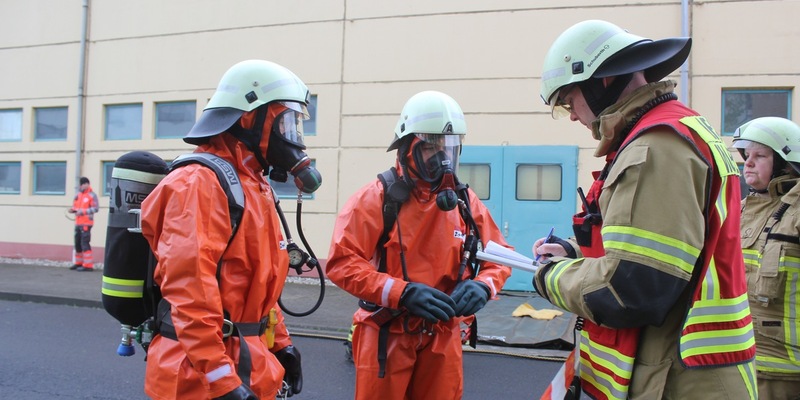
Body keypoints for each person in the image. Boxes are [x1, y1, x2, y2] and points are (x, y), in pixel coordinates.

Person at [532, 20, 756, 399]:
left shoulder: (654, 147)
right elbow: (662, 240)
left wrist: (550, 276)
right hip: (697, 370)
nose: (572, 115)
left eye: (570, 101)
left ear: (600, 82)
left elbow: (630, 288)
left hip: (683, 380)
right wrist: (574, 249)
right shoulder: (682, 128)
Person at [140, 59, 321, 400]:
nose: (295, 137)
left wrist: (281, 343)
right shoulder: (197, 183)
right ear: (250, 119)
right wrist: (221, 378)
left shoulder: (253, 186)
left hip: (247, 361)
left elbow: (255, 284)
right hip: (198, 374)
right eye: (288, 123)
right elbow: (189, 289)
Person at [326, 90, 512, 400]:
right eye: (431, 148)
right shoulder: (377, 199)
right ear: (408, 148)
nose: (442, 160)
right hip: (387, 334)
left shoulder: (464, 202)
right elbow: (342, 263)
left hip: (443, 334)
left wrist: (484, 286)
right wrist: (402, 293)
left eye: (449, 149)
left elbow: (502, 258)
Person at [734, 116, 800, 399]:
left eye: (760, 155)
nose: (748, 163)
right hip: (742, 362)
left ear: (786, 164)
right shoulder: (738, 209)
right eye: (747, 155)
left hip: (789, 372)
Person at [69, 176, 99, 271]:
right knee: (77, 243)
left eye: (83, 184)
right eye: (80, 184)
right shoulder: (78, 195)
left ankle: (88, 265)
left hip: (86, 223)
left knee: (84, 243)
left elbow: (95, 208)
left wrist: (82, 212)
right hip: (78, 222)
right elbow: (75, 207)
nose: (81, 186)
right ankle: (78, 263)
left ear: (87, 184)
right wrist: (73, 210)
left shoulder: (92, 195)